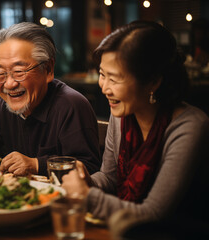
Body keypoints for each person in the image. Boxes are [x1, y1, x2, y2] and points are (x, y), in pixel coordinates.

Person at [61, 20, 209, 227]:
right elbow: (110, 178)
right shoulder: (121, 114)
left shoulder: (189, 126)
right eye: (102, 75)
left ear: (153, 82)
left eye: (114, 79)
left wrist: (86, 195)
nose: (104, 87)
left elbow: (154, 212)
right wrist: (88, 181)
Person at [0, 22, 101, 176]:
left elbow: (89, 167)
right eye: (0, 73)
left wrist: (36, 164)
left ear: (48, 69)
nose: (9, 84)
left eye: (19, 71)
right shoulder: (6, 103)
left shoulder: (72, 105)